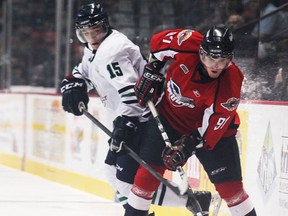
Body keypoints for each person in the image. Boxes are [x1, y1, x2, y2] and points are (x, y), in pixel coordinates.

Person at [60, 1, 212, 215]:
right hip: (127, 118)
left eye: (96, 31)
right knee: (112, 173)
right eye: (87, 33)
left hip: (141, 119)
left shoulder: (112, 51)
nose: (92, 37)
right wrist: (73, 83)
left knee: (126, 182)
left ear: (105, 26)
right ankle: (190, 200)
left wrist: (127, 124)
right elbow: (84, 70)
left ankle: (190, 200)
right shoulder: (95, 48)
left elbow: (132, 93)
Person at [124, 25, 257, 216]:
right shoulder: (186, 42)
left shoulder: (231, 82)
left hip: (212, 134)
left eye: (223, 60)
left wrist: (189, 145)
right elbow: (157, 44)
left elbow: (213, 126)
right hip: (169, 119)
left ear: (231, 58)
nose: (216, 66)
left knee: (232, 191)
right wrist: (152, 70)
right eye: (211, 58)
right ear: (201, 52)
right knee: (145, 180)